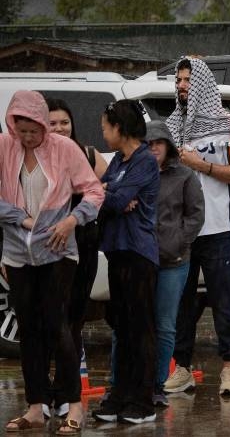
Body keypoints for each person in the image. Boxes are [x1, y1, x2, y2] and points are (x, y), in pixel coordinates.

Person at [0, 91, 104, 436]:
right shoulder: (5, 147)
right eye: (22, 130)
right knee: (29, 328)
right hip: (18, 252)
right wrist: (23, 220)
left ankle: (73, 404)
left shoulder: (64, 149)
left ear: (44, 125)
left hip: (58, 250)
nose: (28, 138)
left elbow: (94, 191)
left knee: (58, 325)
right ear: (13, 124)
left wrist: (71, 221)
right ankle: (36, 406)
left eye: (34, 131)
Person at [164, 57, 230, 397]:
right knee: (182, 303)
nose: (182, 85)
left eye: (188, 80)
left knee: (222, 300)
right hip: (182, 233)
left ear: (201, 82)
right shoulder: (171, 127)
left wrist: (201, 165)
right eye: (179, 80)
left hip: (216, 230)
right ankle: (182, 368)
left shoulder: (226, 126)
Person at [91, 101, 160, 425]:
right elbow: (109, 199)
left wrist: (109, 191)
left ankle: (143, 399)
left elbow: (116, 199)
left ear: (120, 128)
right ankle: (120, 393)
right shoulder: (119, 159)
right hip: (116, 250)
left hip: (138, 253)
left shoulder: (145, 160)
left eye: (106, 126)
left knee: (140, 329)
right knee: (122, 328)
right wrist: (109, 191)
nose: (103, 132)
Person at [44, 98, 109, 417]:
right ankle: (47, 394)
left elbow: (109, 186)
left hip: (83, 241)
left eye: (64, 122)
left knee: (75, 319)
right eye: (53, 123)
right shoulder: (36, 158)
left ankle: (67, 393)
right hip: (49, 245)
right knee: (51, 319)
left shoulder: (88, 154)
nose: (59, 128)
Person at [144, 121, 205, 406]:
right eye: (148, 143)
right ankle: (130, 381)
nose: (154, 147)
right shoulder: (138, 172)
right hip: (141, 259)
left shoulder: (184, 175)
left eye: (158, 142)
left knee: (166, 325)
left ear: (167, 144)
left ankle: (158, 384)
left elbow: (195, 215)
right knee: (137, 322)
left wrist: (180, 242)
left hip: (174, 261)